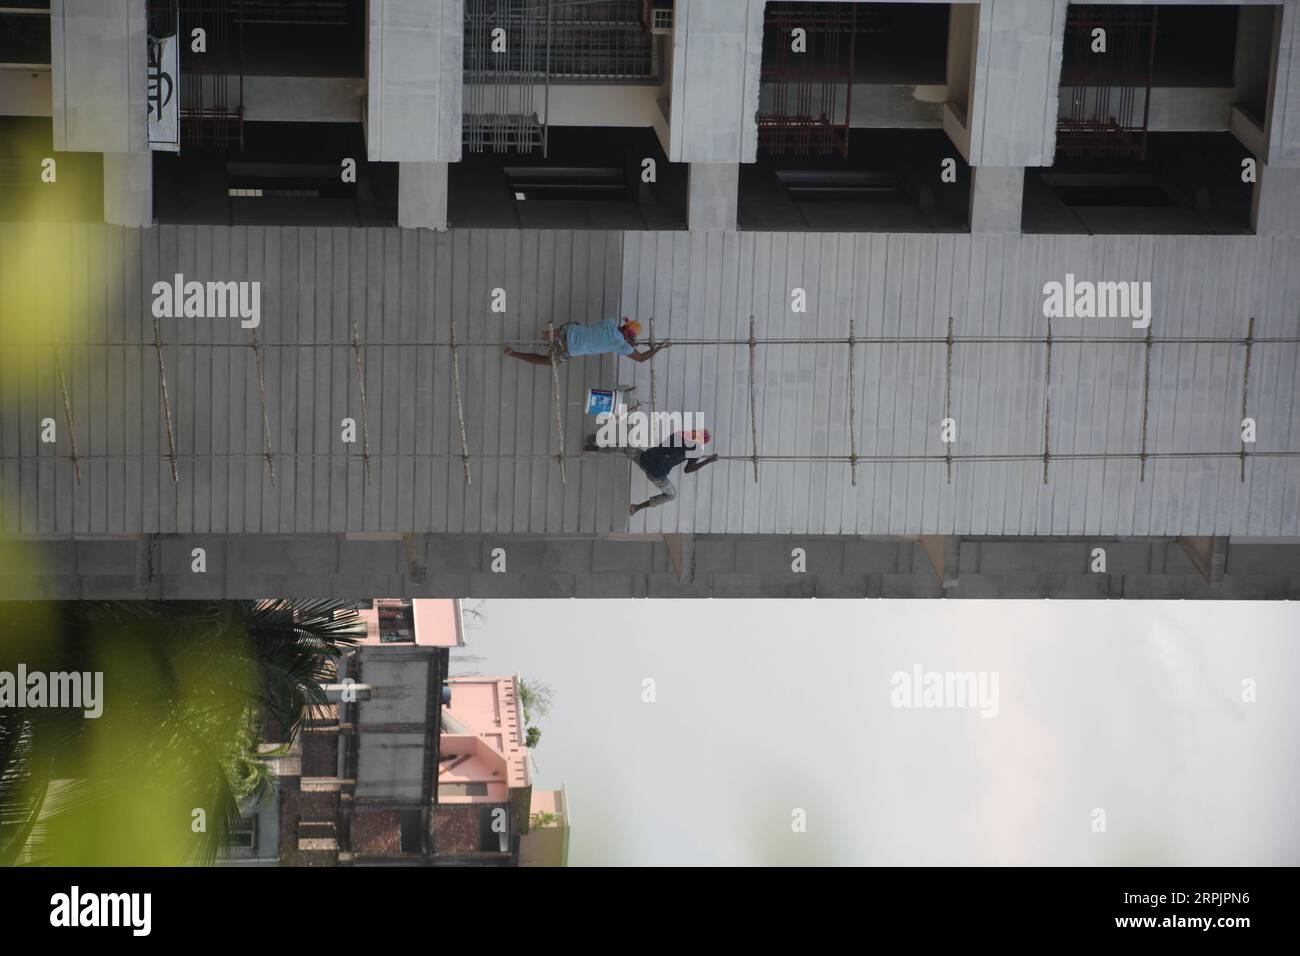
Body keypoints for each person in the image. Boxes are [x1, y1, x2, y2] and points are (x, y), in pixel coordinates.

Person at [584, 429, 718, 514]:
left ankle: (596, 445)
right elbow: (688, 470)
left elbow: (664, 445)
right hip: (657, 475)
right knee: (672, 495)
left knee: (625, 446)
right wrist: (708, 461)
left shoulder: (679, 434)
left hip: (645, 458)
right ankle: (637, 507)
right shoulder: (695, 452)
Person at [504, 317, 669, 367]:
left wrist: (628, 342)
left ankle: (550, 335)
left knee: (576, 324)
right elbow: (640, 358)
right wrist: (659, 348)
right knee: (549, 362)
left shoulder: (610, 322)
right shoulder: (620, 345)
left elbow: (609, 333)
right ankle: (514, 353)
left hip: (569, 330)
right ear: (631, 337)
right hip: (569, 348)